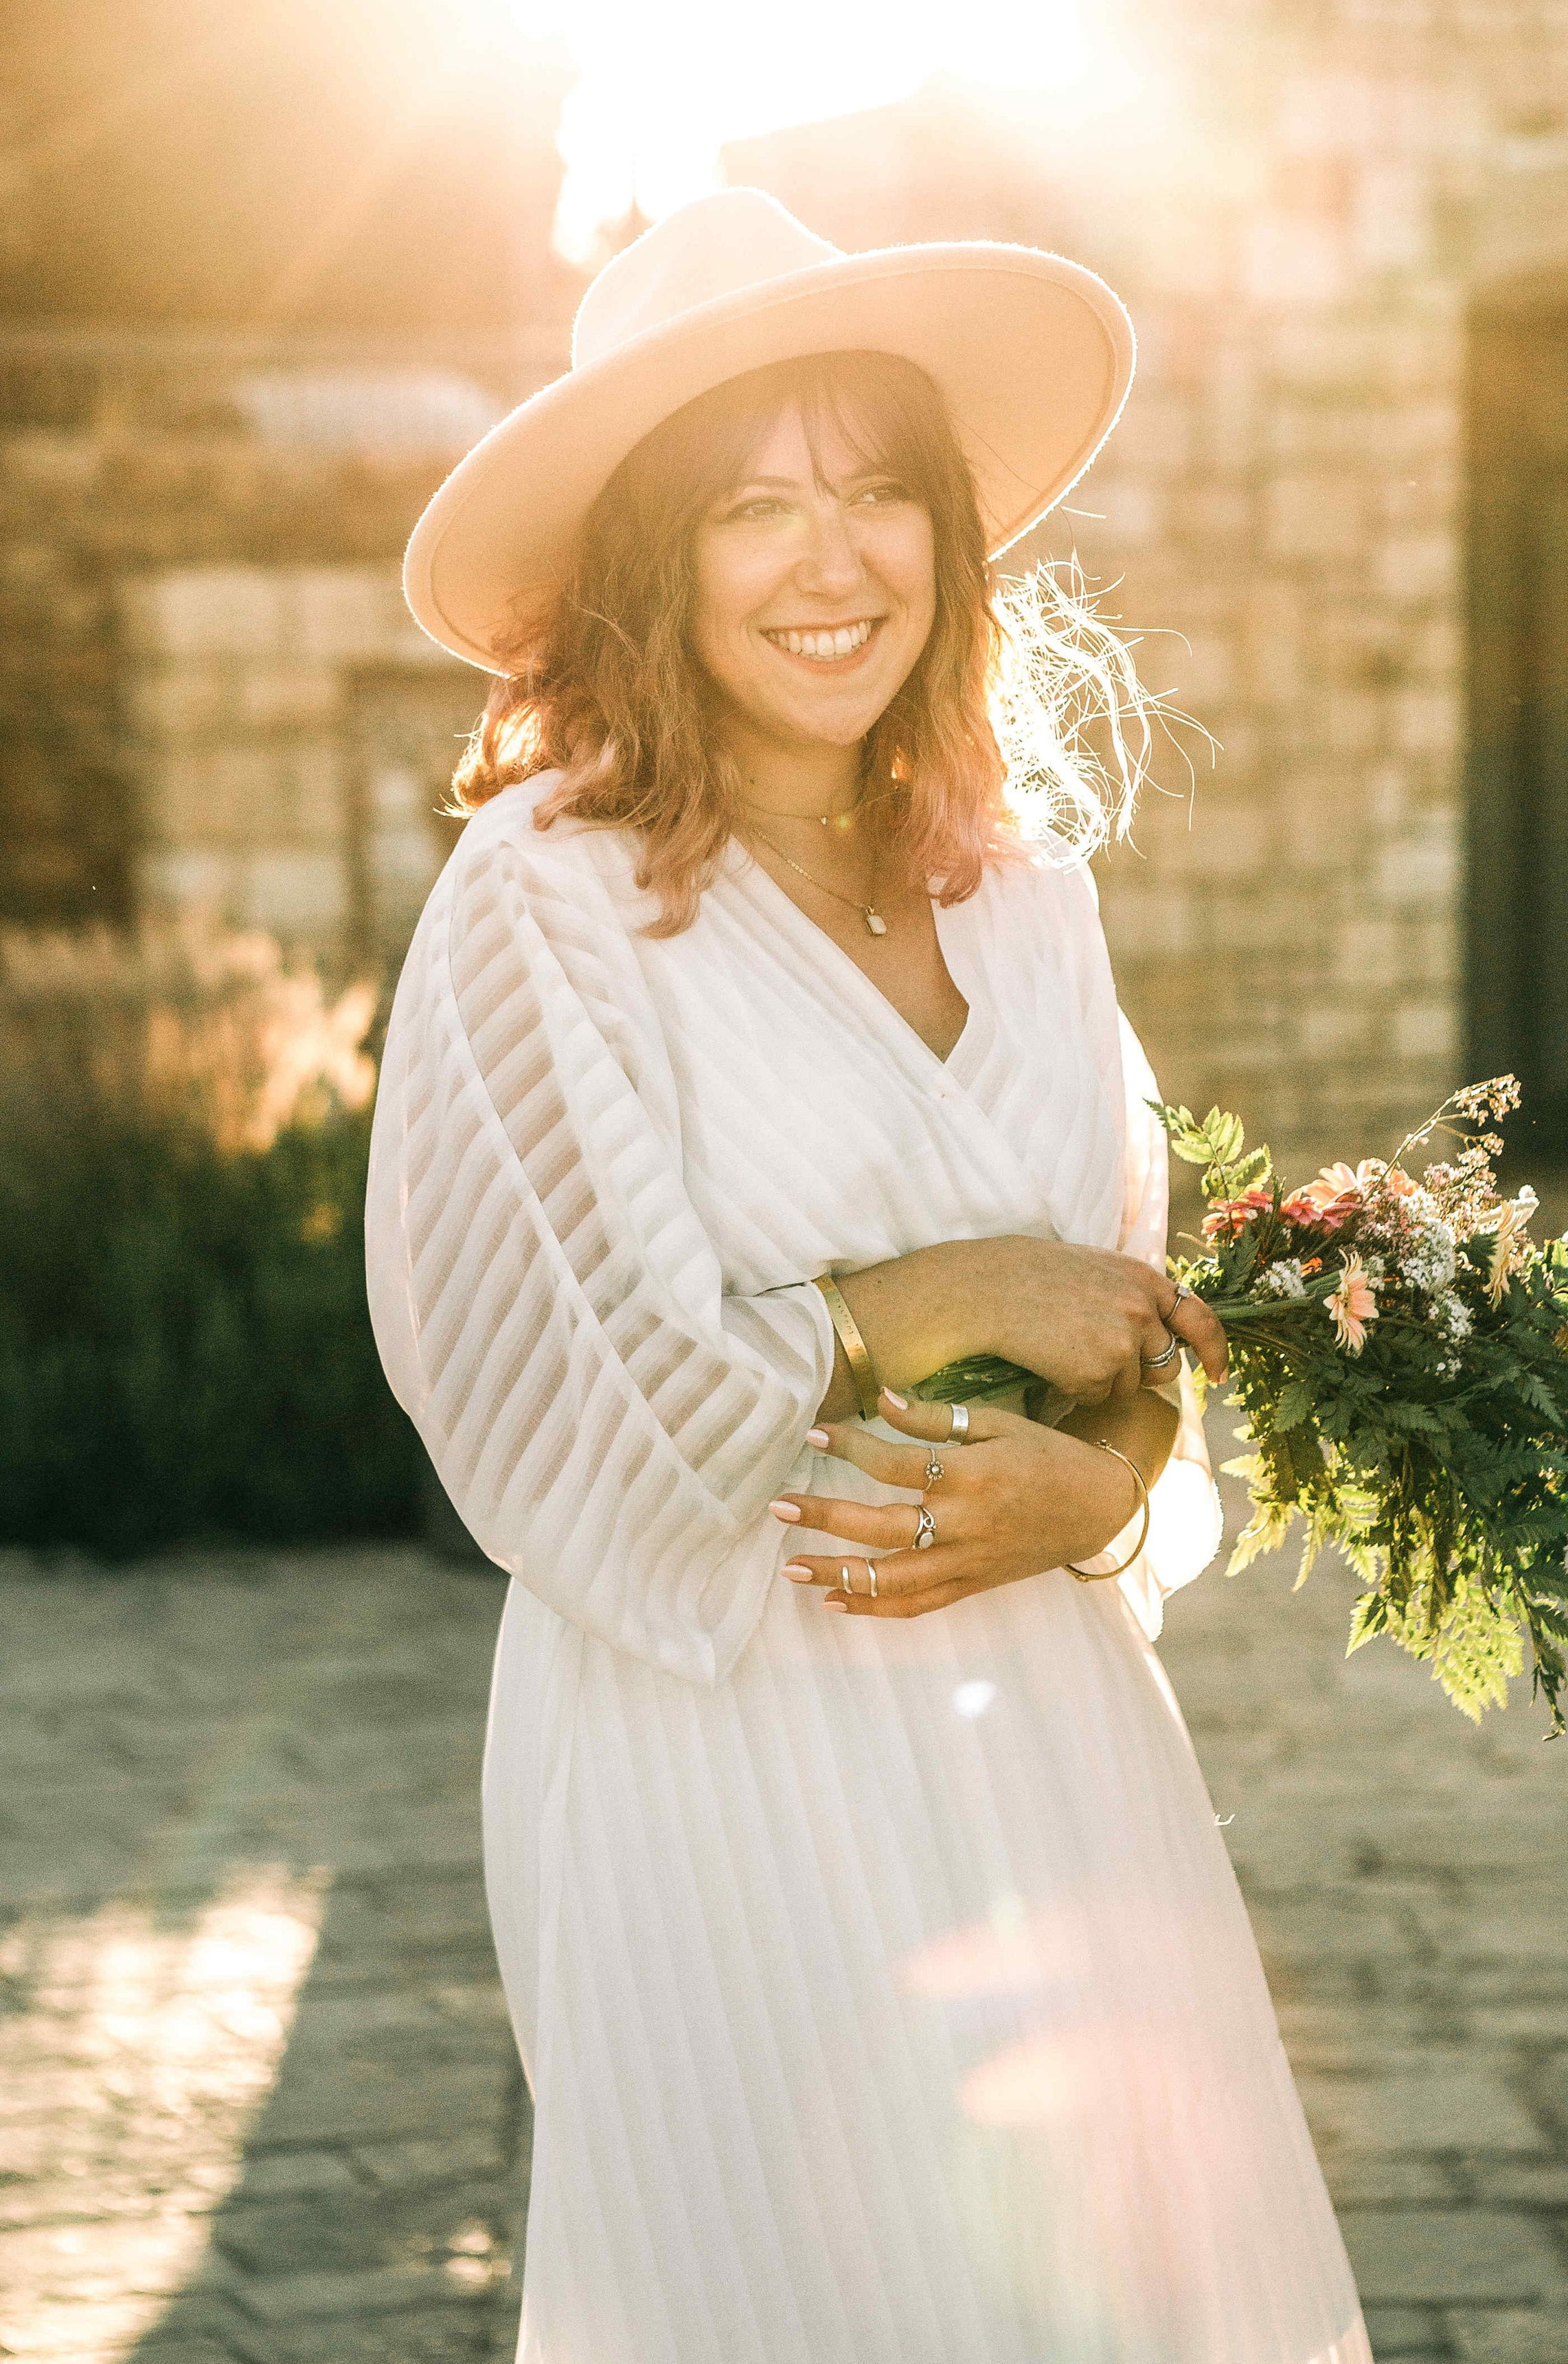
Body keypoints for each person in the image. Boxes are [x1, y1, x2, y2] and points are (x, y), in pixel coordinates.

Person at [366, 188, 1372, 2364]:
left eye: (876, 492)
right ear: (650, 560)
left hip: (1053, 1737)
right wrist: (925, 1296)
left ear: (947, 532)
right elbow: (543, 1378)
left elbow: (1122, 1311)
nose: (833, 562)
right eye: (753, 507)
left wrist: (1106, 1486)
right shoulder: (544, 903)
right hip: (719, 1734)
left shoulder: (1025, 893)